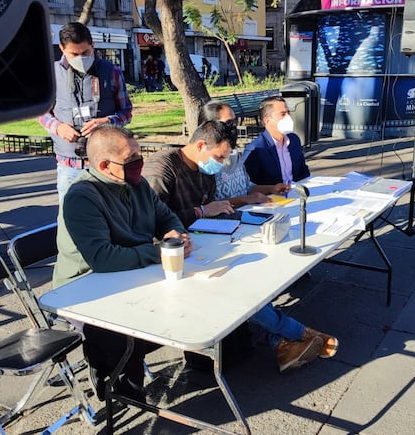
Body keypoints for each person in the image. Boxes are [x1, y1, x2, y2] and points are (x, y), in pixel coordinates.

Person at [143, 121, 338, 372]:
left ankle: (284, 341)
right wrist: (201, 211)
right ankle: (295, 334)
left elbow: (211, 206)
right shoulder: (162, 168)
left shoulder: (206, 169)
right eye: (219, 156)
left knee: (247, 281)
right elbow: (153, 222)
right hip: (171, 256)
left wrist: (217, 211)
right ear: (201, 145)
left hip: (204, 241)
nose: (222, 163)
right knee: (237, 288)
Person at [53, 125, 192, 399]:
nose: (139, 163)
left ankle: (200, 360)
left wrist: (175, 234)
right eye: (131, 159)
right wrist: (161, 252)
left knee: (185, 306)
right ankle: (117, 382)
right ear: (105, 165)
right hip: (82, 288)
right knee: (130, 335)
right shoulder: (82, 196)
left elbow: (165, 216)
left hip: (130, 273)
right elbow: (103, 259)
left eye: (138, 154)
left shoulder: (136, 184)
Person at [38, 22, 133, 201]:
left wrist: (107, 122)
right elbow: (40, 112)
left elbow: (127, 112)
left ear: (93, 46)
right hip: (69, 164)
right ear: (61, 49)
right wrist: (58, 127)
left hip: (106, 164)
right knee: (71, 220)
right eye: (74, 54)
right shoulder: (51, 73)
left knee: (111, 217)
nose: (80, 58)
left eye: (86, 53)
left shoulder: (111, 72)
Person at [197, 100, 290, 206]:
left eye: (235, 122)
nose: (233, 128)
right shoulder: (207, 163)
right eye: (228, 123)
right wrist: (245, 199)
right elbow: (208, 206)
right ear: (210, 127)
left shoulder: (235, 154)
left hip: (247, 215)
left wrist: (272, 188)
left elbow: (248, 187)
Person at [243, 96, 310, 186]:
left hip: (297, 191)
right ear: (267, 120)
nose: (288, 117)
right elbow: (248, 184)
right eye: (282, 114)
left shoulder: (294, 140)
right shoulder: (256, 149)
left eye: (288, 113)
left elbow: (303, 170)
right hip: (273, 197)